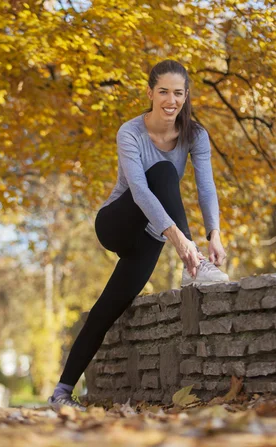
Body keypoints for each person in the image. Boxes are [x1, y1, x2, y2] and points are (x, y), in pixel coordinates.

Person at [48, 59, 229, 411]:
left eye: (178, 93)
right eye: (163, 91)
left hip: (151, 235)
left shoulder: (195, 134)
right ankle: (191, 265)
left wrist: (214, 234)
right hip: (117, 222)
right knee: (162, 172)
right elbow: (142, 191)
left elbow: (206, 187)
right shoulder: (129, 132)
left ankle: (60, 392)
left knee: (108, 308)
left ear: (186, 95)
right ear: (150, 93)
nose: (170, 100)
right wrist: (182, 242)